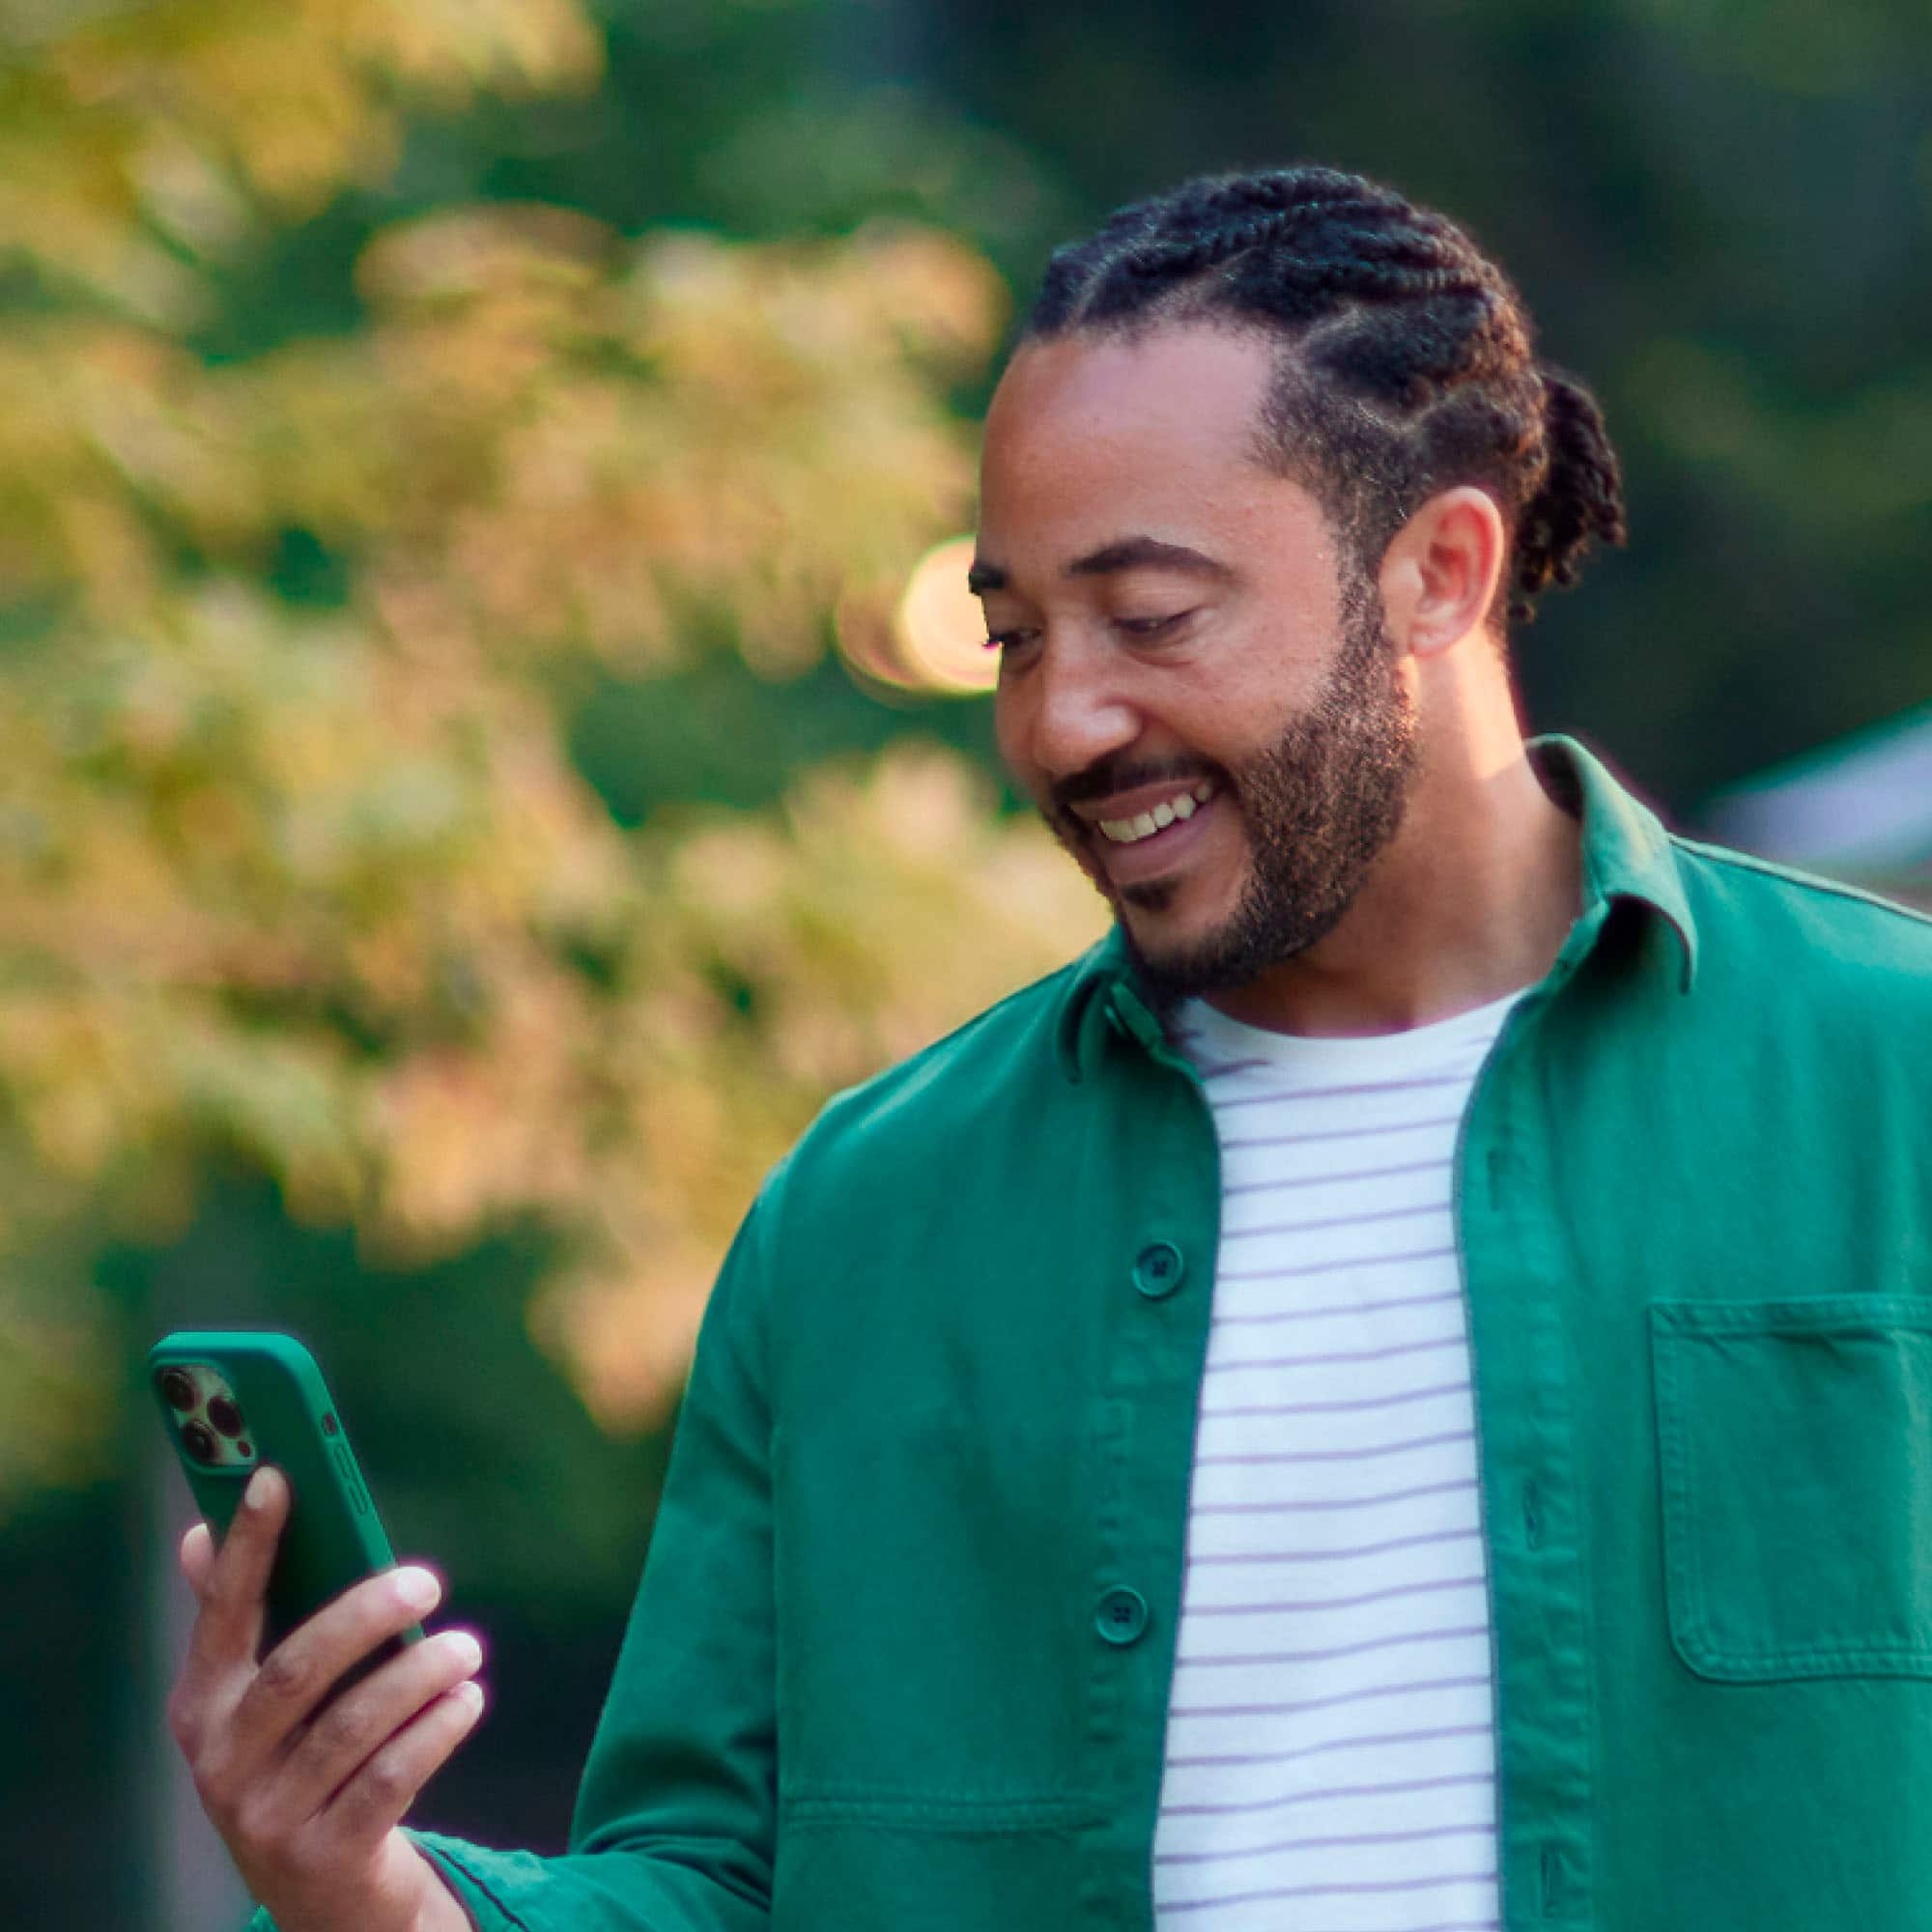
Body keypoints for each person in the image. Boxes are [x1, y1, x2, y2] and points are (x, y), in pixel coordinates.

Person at [168, 164, 1932, 1932]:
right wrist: (372, 1897)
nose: (1064, 722)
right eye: (1014, 638)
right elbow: (716, 1887)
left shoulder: (1889, 1076)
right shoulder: (865, 1220)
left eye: (1151, 617)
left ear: (1438, 572)